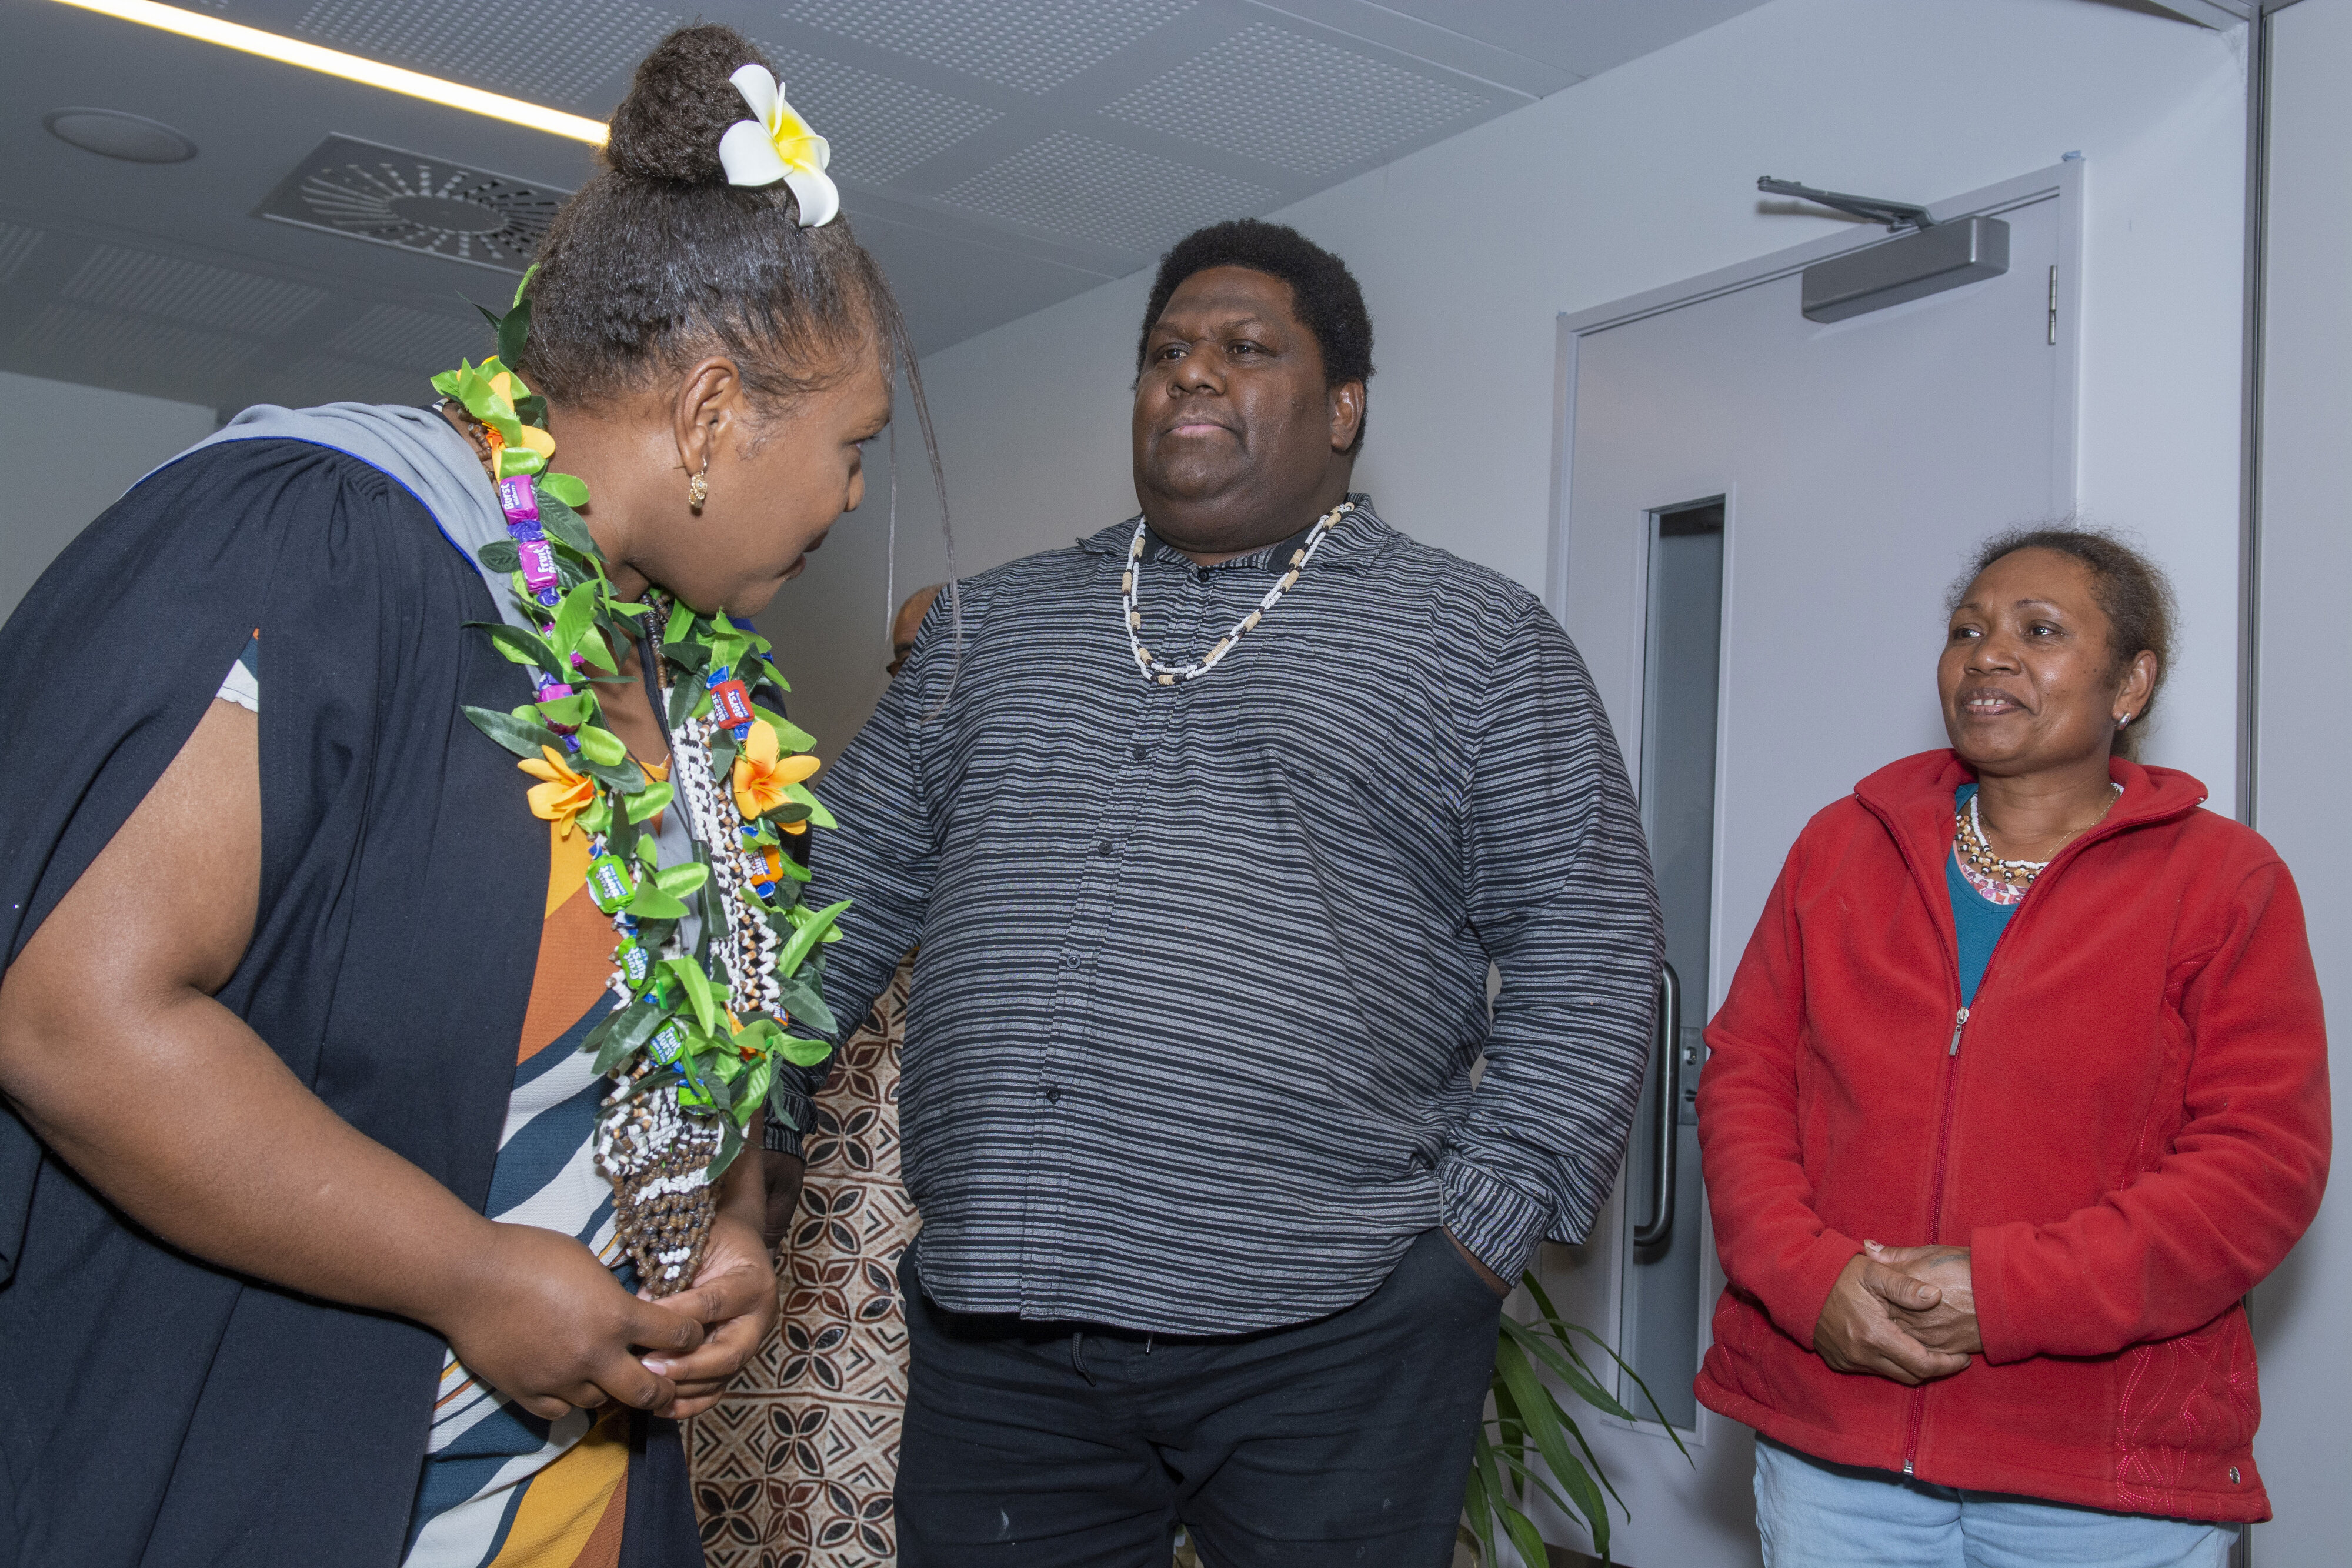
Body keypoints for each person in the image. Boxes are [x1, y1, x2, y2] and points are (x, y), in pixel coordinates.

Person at [0, 25, 921, 1564]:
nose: (850, 497)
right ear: (708, 419)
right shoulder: (320, 544)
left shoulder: (711, 702)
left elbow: (705, 1053)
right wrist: (470, 1275)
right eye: (850, 448)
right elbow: (73, 1015)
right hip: (282, 1477)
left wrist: (738, 1231)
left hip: (572, 1501)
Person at [762, 218, 1659, 1566]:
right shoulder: (985, 629)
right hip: (1007, 1335)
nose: (1190, 374)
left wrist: (1469, 1244)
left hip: (1334, 1330)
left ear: (1342, 405)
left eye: (1245, 348)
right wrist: (748, 1116)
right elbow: (840, 891)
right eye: (1165, 351)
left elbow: (1586, 956)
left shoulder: (1477, 642)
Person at [1696, 529, 2331, 1567]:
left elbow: (2259, 1169)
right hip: (1839, 1452)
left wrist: (2004, 1292)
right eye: (1967, 630)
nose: (1987, 654)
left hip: (2099, 1479)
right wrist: (1812, 1283)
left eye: (2039, 632)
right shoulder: (1840, 846)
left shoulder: (2227, 881)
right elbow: (1745, 1082)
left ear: (2132, 682)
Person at [691, 585, 940, 1564]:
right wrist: (776, 1133)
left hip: (907, 1223)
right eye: (906, 663)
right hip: (806, 1200)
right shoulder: (806, 814)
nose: (924, 684)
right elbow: (775, 979)